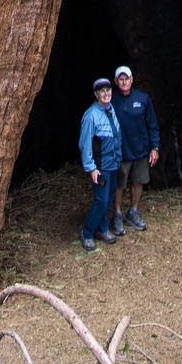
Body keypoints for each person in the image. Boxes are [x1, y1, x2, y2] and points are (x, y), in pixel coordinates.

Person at [111, 64, 159, 232]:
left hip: (140, 150)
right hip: (120, 151)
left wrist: (155, 147)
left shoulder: (143, 99)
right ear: (116, 82)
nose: (124, 82)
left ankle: (133, 211)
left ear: (132, 80)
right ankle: (117, 214)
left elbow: (152, 124)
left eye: (127, 79)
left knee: (138, 181)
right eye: (121, 79)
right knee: (119, 184)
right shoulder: (111, 100)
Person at [78, 77, 122, 250]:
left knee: (109, 197)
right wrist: (91, 168)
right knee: (101, 200)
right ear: (96, 94)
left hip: (113, 163)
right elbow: (85, 143)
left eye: (108, 90)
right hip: (101, 166)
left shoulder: (111, 110)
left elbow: (116, 136)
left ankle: (102, 229)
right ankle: (87, 232)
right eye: (102, 91)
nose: (106, 94)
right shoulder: (91, 115)